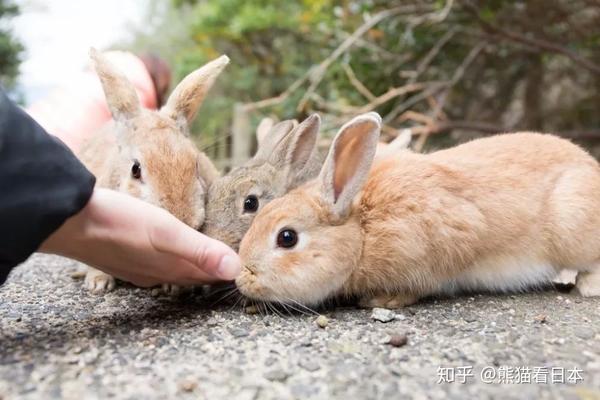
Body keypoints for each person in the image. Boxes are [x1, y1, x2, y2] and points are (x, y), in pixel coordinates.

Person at [0, 88, 241, 287]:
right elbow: (80, 206)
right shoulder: (107, 163)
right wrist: (94, 254)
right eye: (137, 173)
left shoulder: (191, 155)